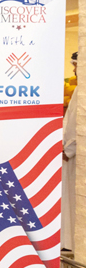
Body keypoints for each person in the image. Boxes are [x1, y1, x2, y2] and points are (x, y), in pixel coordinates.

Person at [62, 52, 77, 251]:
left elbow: (77, 125)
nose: (73, 70)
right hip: (67, 150)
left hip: (73, 154)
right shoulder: (78, 91)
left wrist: (69, 148)